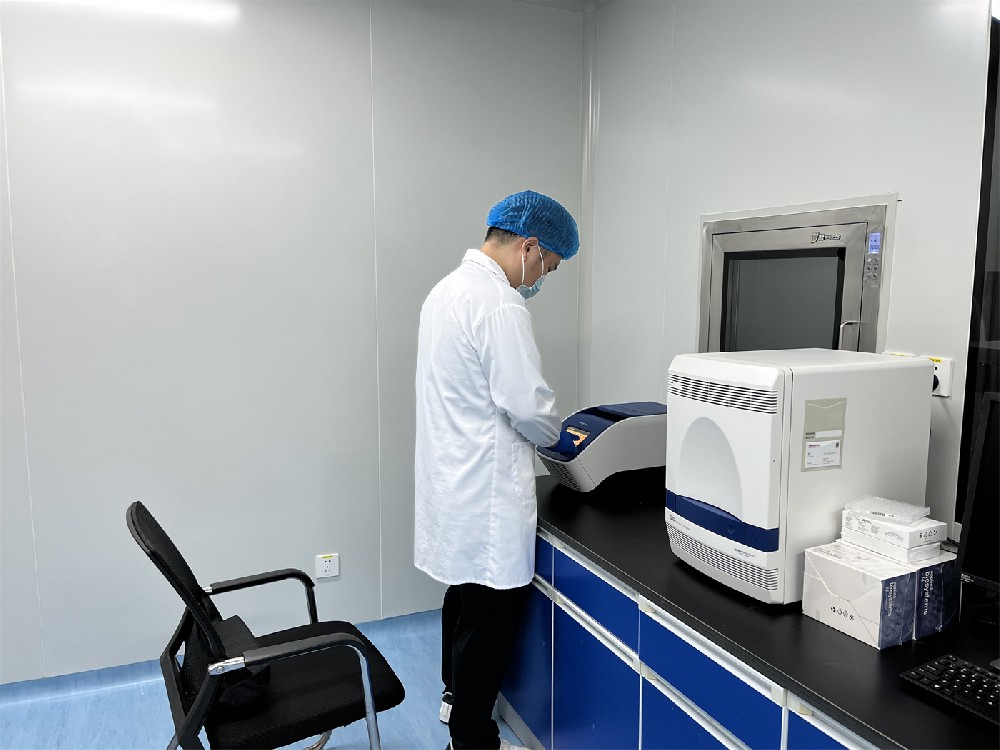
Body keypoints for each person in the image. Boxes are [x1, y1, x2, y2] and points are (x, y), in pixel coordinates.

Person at [414, 190, 580, 750]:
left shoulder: (446, 291)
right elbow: (528, 406)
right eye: (549, 265)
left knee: (462, 601)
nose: (543, 277)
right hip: (484, 494)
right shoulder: (499, 303)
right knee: (488, 626)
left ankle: (452, 700)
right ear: (530, 246)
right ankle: (472, 740)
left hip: (453, 480)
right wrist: (562, 439)